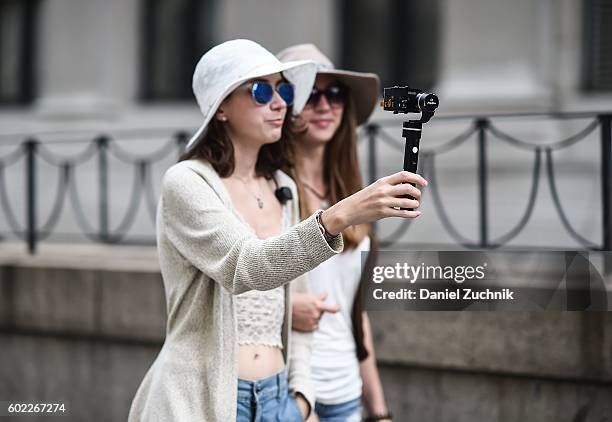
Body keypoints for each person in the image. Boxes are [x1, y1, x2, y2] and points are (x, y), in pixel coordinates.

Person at [128, 39, 427, 421]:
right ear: (220, 107)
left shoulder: (280, 185)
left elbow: (298, 307)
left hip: (279, 400)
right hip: (207, 398)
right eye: (260, 90)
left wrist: (300, 399)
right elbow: (245, 266)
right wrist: (342, 214)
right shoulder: (187, 182)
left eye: (283, 89)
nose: (280, 102)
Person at [278, 44, 403, 422]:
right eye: (310, 94)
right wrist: (285, 310)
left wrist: (378, 409)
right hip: (290, 392)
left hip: (347, 392)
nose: (324, 105)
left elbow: (355, 313)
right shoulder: (269, 188)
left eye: (334, 93)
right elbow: (240, 280)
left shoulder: (350, 194)